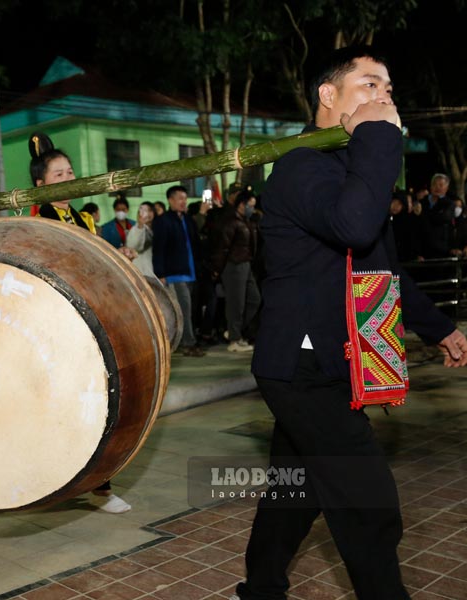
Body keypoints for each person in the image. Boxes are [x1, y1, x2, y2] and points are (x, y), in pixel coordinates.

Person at [233, 46, 467, 600]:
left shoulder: (349, 168)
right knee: (367, 502)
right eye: (368, 85)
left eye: (388, 89)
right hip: (303, 365)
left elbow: (380, 267)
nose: (383, 97)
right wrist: (378, 136)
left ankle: (261, 588)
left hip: (337, 358)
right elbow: (355, 226)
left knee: (296, 490)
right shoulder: (299, 167)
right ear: (327, 95)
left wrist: (439, 328)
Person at [29, 131, 131, 514]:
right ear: (40, 185)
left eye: (70, 172)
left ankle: (99, 484)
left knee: (97, 403)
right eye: (58, 175)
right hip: (55, 324)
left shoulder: (84, 217)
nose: (68, 179)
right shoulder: (36, 220)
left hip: (89, 320)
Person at [152, 185, 206, 357]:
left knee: (189, 309)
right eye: (180, 198)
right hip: (174, 273)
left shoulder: (188, 219)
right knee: (183, 309)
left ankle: (188, 341)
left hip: (190, 271)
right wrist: (160, 273)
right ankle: (188, 343)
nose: (184, 202)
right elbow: (158, 248)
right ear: (171, 200)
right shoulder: (163, 221)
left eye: (185, 198)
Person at [209, 189, 261, 352]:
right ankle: (234, 340)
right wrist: (217, 269)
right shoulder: (230, 221)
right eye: (250, 206)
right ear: (241, 205)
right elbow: (222, 248)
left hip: (246, 264)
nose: (252, 209)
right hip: (233, 265)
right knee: (235, 304)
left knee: (254, 299)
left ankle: (234, 331)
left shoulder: (246, 220)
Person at [419, 173, 455, 258]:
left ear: (446, 188)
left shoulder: (449, 203)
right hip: (423, 248)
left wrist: (423, 214)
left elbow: (442, 218)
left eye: (441, 185)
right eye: (434, 184)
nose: (437, 187)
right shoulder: (422, 202)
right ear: (430, 186)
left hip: (441, 249)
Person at [125, 201, 156, 277]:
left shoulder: (157, 230)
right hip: (140, 272)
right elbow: (133, 245)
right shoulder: (135, 229)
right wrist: (140, 225)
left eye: (149, 210)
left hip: (153, 273)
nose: (146, 213)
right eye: (143, 210)